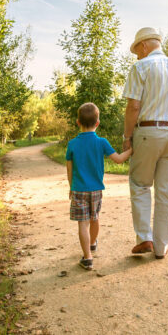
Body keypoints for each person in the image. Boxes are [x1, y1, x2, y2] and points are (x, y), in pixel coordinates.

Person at [122, 27, 168, 259]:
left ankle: (145, 239)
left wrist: (127, 137)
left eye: (137, 51)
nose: (137, 56)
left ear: (143, 46)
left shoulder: (140, 67)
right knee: (166, 192)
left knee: (140, 185)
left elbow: (133, 106)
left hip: (148, 132)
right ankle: (161, 247)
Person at [66, 102, 132, 270]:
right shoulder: (101, 142)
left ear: (78, 122)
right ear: (97, 123)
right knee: (94, 218)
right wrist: (132, 150)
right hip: (96, 189)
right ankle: (93, 243)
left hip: (79, 189)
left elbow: (69, 168)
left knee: (83, 223)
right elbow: (118, 159)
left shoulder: (72, 144)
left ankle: (87, 257)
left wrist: (71, 187)